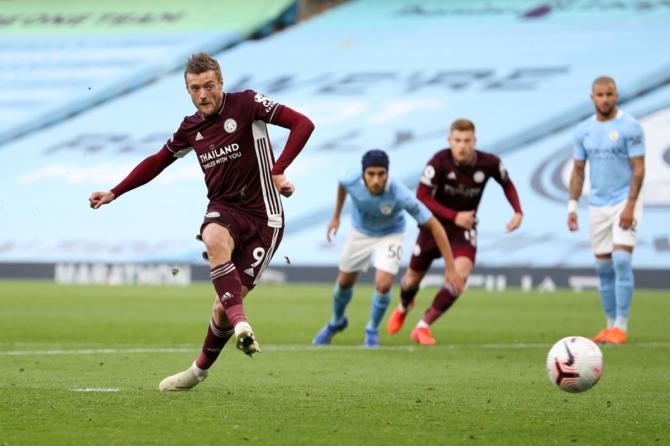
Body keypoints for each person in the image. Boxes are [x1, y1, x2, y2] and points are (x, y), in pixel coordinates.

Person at [89, 52, 314, 390]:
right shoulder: (190, 127)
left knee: (223, 308)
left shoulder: (248, 103)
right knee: (212, 237)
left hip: (265, 218)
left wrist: (278, 169)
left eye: (209, 86)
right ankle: (242, 326)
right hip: (224, 208)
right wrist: (114, 192)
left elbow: (303, 124)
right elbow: (157, 161)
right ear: (188, 91)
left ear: (221, 83)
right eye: (195, 89)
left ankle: (198, 370)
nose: (203, 95)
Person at [387, 118, 523, 345]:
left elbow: (507, 183)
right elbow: (421, 197)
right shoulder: (439, 161)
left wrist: (518, 211)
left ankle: (423, 326)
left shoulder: (489, 163)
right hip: (433, 227)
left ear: (474, 141)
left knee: (459, 277)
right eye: (457, 140)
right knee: (411, 282)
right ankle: (404, 306)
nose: (462, 145)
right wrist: (454, 216)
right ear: (449, 141)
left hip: (463, 231)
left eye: (467, 141)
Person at [312, 150, 464, 347]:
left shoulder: (400, 195)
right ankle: (336, 322)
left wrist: (450, 267)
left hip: (390, 235)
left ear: (387, 173)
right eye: (371, 174)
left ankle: (372, 330)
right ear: (363, 173)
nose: (376, 180)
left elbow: (435, 226)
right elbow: (342, 185)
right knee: (344, 284)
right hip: (360, 232)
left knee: (383, 284)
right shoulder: (350, 178)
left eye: (381, 174)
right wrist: (336, 216)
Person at [568, 76, 645, 345]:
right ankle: (609, 324)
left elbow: (638, 168)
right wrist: (572, 206)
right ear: (592, 97)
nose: (605, 99)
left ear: (617, 95)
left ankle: (621, 326)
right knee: (603, 268)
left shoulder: (629, 127)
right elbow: (578, 171)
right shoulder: (583, 131)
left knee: (622, 260)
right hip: (597, 204)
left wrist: (631, 205)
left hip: (625, 200)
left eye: (609, 94)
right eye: (600, 95)